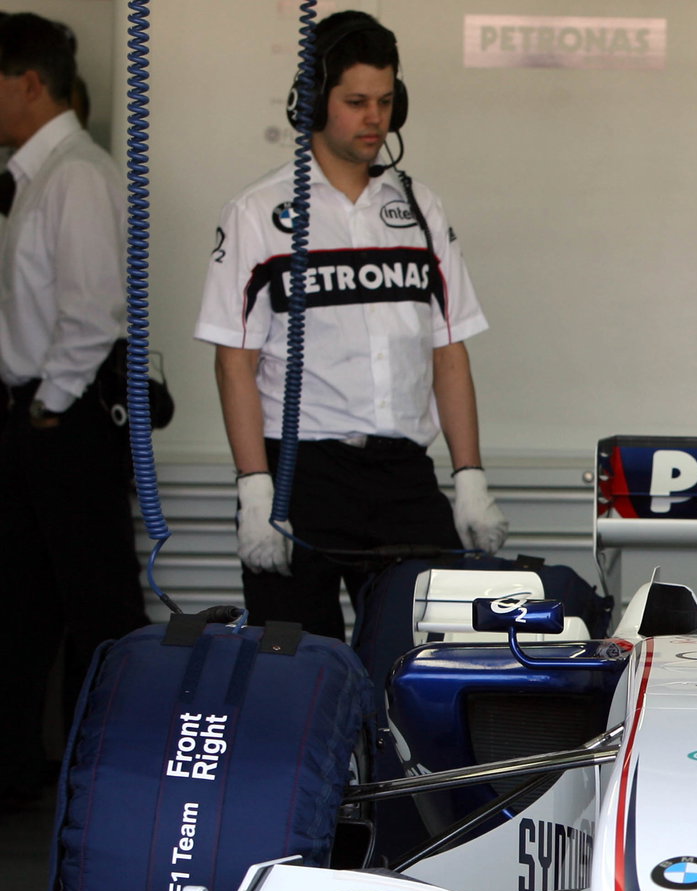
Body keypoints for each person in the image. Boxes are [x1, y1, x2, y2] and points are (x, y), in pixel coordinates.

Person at [195, 10, 507, 642]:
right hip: (298, 477)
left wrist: (469, 478)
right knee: (293, 671)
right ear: (312, 102)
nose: (375, 119)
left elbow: (450, 349)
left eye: (387, 101)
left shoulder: (420, 208)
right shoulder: (258, 212)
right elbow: (235, 361)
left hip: (402, 476)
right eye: (357, 101)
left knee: (425, 664)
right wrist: (255, 493)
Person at [0, 13, 146, 812]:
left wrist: (50, 408)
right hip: (34, 415)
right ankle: (22, 768)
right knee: (24, 607)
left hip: (66, 417)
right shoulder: (37, 176)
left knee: (96, 604)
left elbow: (93, 311)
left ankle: (109, 777)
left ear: (28, 83)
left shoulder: (77, 175)